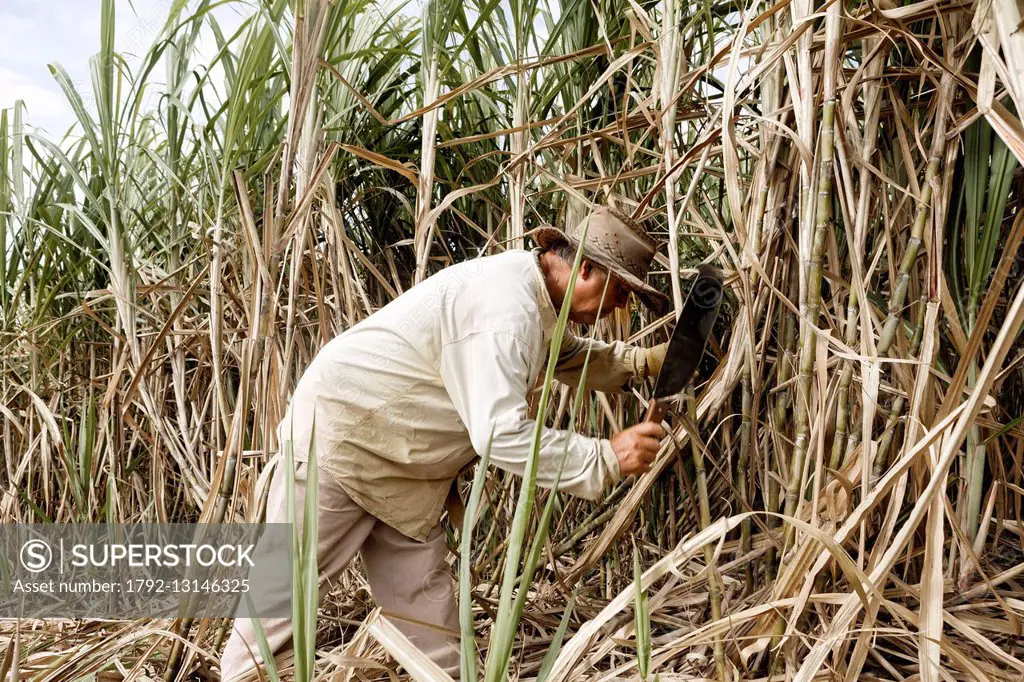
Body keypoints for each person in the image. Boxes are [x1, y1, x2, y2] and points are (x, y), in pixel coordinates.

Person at [220, 204, 671, 680]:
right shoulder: (507, 312)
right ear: (584, 268)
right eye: (621, 291)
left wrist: (641, 362)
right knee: (277, 614)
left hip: (406, 472)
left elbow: (563, 354)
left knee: (431, 638)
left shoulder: (533, 300)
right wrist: (605, 456)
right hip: (341, 442)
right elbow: (499, 433)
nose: (622, 307)